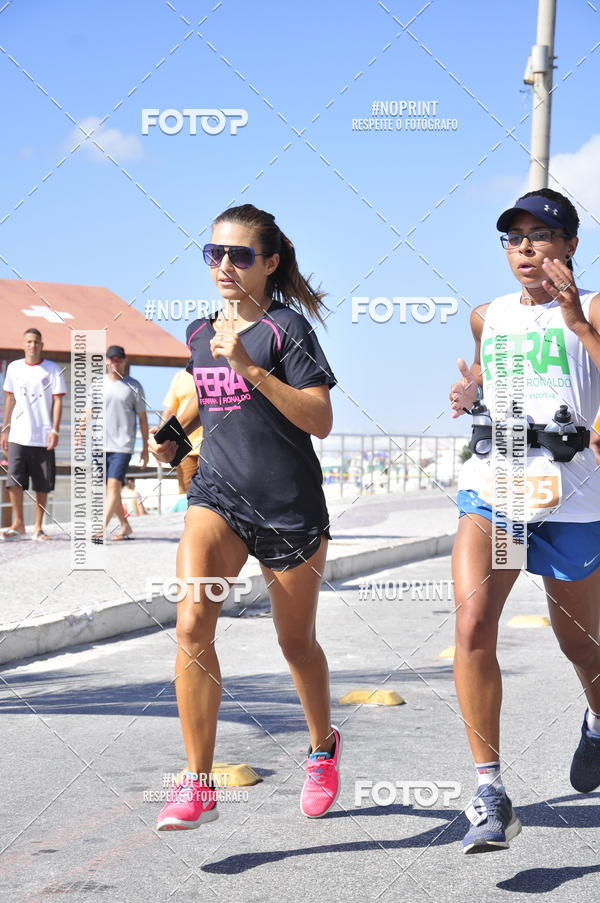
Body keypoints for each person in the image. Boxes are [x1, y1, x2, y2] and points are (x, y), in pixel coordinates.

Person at [149, 203, 339, 831]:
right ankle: (197, 780)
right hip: (218, 496)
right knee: (193, 618)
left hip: (287, 508)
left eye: (240, 255)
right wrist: (175, 434)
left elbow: (319, 419)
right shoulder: (202, 333)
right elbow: (210, 402)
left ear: (270, 263)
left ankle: (321, 747)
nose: (224, 265)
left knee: (295, 644)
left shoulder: (288, 330)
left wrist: (251, 368)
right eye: (214, 254)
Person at [449, 188, 600, 854]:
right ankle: (490, 791)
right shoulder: (488, 315)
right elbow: (484, 376)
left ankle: (596, 719)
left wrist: (576, 321)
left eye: (542, 236)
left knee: (581, 645)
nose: (527, 249)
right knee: (474, 620)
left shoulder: (594, 309)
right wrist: (467, 392)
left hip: (572, 499)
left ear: (571, 246)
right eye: (514, 238)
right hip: (502, 489)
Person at [1, 328, 66, 541]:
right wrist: (5, 428)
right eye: (29, 341)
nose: (32, 345)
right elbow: (9, 399)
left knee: (42, 484)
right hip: (18, 435)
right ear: (23, 344)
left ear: (42, 345)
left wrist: (55, 429)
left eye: (36, 342)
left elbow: (58, 400)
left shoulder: (52, 369)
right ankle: (18, 524)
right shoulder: (14, 368)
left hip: (43, 436)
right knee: (14, 482)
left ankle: (38, 527)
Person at [100, 345, 148, 540]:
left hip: (123, 445)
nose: (114, 362)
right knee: (110, 490)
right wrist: (79, 433)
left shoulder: (134, 386)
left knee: (113, 487)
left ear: (124, 361)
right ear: (106, 360)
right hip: (100, 444)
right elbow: (88, 411)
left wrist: (145, 448)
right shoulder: (98, 384)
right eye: (111, 359)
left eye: (118, 359)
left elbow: (143, 419)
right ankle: (125, 525)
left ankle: (100, 528)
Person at [161, 368, 203, 495]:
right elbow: (170, 410)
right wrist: (160, 439)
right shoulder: (180, 376)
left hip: (210, 443)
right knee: (186, 492)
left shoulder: (213, 369)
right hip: (184, 444)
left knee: (211, 489)